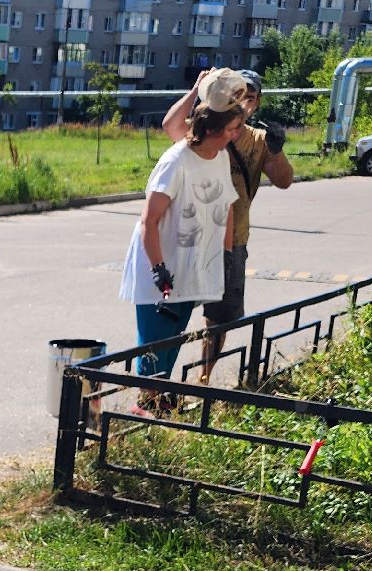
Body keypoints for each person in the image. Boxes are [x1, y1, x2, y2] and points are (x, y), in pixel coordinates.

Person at [120, 74, 247, 414]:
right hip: (162, 268)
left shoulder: (220, 157)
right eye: (233, 128)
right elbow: (149, 220)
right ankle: (147, 407)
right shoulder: (176, 162)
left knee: (173, 340)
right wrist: (159, 269)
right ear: (214, 128)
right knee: (154, 345)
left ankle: (158, 401)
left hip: (194, 266)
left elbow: (227, 206)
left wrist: (226, 256)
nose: (237, 134)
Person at [161, 67, 294, 386]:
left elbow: (284, 180)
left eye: (249, 97)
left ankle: (203, 378)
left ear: (257, 103)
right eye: (237, 94)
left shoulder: (259, 140)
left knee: (220, 317)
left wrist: (276, 152)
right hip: (190, 237)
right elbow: (172, 127)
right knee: (171, 315)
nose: (242, 102)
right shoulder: (206, 128)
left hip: (232, 239)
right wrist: (197, 89)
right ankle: (158, 384)